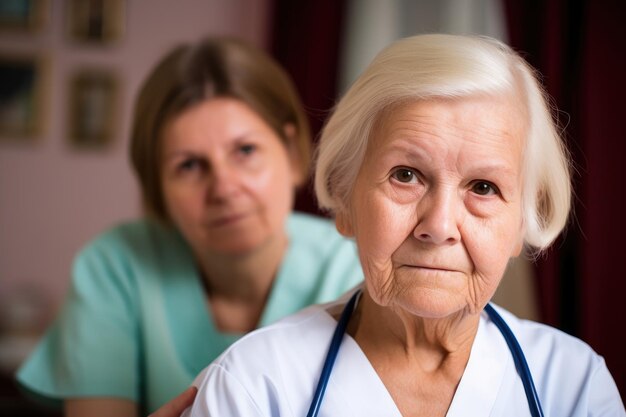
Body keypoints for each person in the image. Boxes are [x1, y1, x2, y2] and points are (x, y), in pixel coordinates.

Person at [179, 34, 626, 416]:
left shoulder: (575, 386)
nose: (439, 225)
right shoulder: (253, 388)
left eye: (484, 187)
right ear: (346, 202)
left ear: (519, 225)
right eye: (405, 175)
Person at [15, 37, 363, 416]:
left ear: (293, 154)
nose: (224, 189)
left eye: (245, 151)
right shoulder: (115, 267)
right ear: (156, 189)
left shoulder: (356, 268)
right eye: (189, 166)